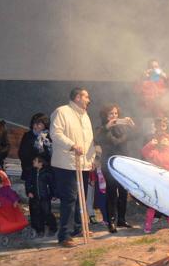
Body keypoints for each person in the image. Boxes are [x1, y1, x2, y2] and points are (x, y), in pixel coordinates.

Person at [50, 88, 96, 247]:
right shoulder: (62, 112)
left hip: (82, 163)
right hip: (66, 163)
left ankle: (78, 227)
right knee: (69, 199)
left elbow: (89, 140)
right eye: (86, 96)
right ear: (77, 97)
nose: (88, 100)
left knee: (80, 198)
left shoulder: (85, 116)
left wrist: (92, 158)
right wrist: (72, 145)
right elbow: (55, 133)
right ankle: (64, 235)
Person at [94, 104, 136, 233]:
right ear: (105, 115)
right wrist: (107, 127)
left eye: (116, 113)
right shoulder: (101, 129)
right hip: (110, 164)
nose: (114, 116)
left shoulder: (122, 128)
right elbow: (103, 140)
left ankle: (121, 219)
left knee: (123, 192)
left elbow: (135, 137)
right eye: (111, 114)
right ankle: (111, 221)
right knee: (111, 192)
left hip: (123, 163)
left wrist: (132, 126)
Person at [141, 133, 169, 233]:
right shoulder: (155, 152)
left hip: (168, 183)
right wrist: (150, 144)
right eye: (162, 139)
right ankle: (148, 224)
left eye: (166, 139)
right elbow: (144, 152)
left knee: (168, 204)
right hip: (155, 182)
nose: (164, 140)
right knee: (153, 204)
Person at [24, 155, 57, 237]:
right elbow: (28, 183)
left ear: (40, 163)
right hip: (34, 197)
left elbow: (52, 184)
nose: (33, 162)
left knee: (47, 213)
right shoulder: (32, 172)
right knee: (36, 213)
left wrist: (53, 194)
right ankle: (39, 230)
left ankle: (53, 228)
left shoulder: (47, 172)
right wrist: (29, 192)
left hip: (45, 197)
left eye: (35, 160)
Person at [18, 113, 52, 182]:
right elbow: (22, 153)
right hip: (30, 170)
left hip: (45, 171)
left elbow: (50, 154)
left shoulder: (49, 137)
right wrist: (33, 163)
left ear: (45, 125)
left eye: (39, 124)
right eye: (34, 123)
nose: (35, 126)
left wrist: (42, 163)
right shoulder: (28, 135)